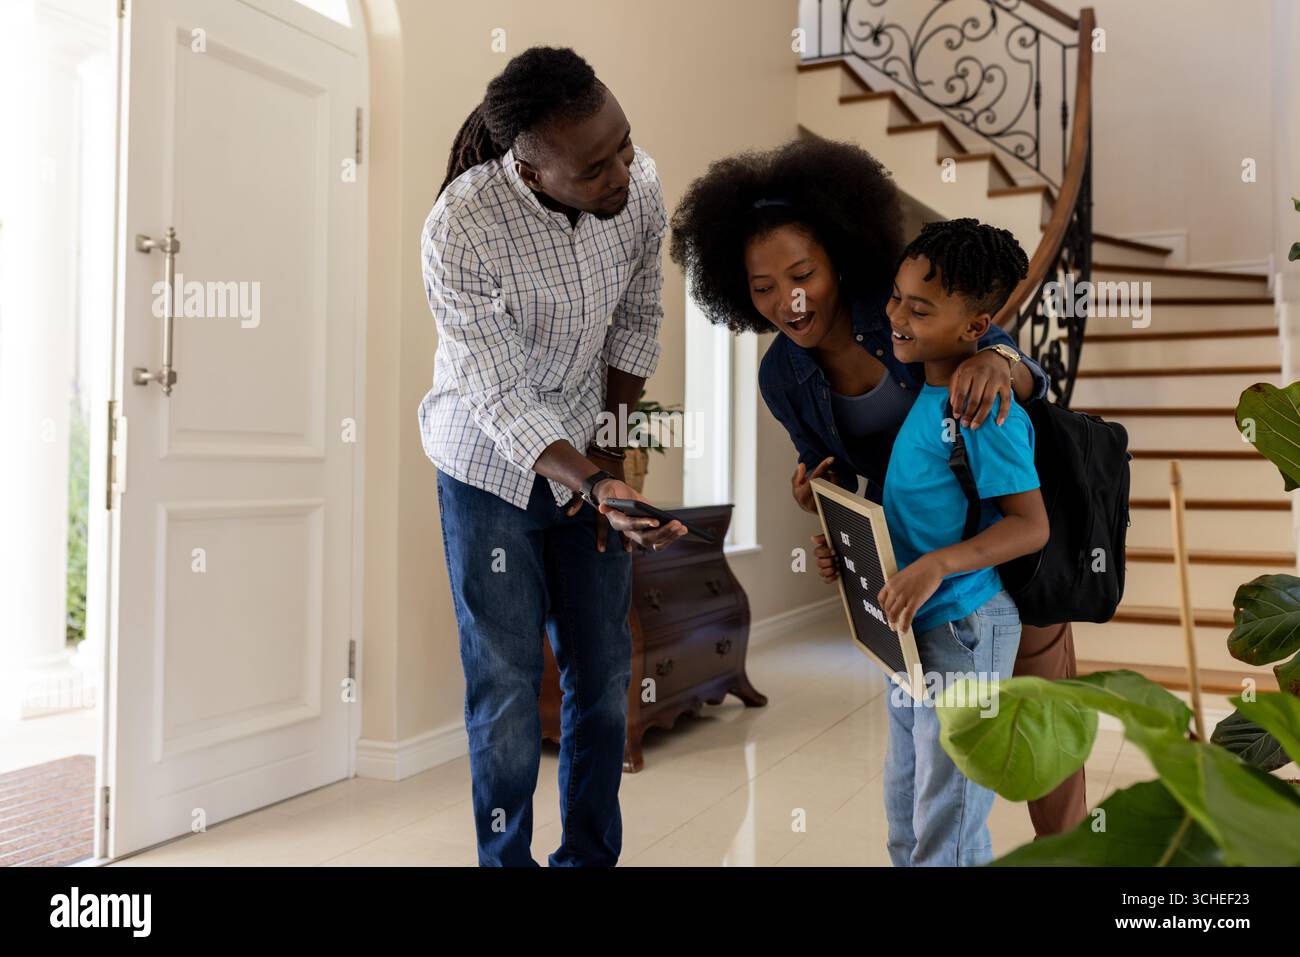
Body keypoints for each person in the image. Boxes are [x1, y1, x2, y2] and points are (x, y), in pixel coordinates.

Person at [668, 137, 1087, 839]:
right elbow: (852, 481)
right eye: (762, 287)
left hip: (999, 566)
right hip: (922, 582)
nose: (787, 300)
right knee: (928, 786)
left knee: (1042, 745)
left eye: (802, 273)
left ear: (838, 255)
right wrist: (824, 506)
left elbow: (1014, 375)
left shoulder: (899, 310)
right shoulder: (782, 378)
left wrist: (997, 358)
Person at [419, 46, 687, 867]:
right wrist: (594, 478)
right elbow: (499, 396)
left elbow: (638, 320)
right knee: (503, 688)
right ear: (532, 170)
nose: (624, 171)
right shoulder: (460, 228)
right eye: (596, 165)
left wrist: (610, 458)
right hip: (485, 465)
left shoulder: (639, 189)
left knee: (603, 675)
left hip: (586, 461)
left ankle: (588, 859)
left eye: (625, 144)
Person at [874, 218, 1047, 864]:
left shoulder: (981, 405)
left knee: (947, 824)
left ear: (976, 329)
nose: (897, 316)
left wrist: (937, 567)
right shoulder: (926, 396)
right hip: (917, 632)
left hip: (968, 629)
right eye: (896, 296)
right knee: (907, 809)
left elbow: (1031, 525)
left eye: (920, 309)